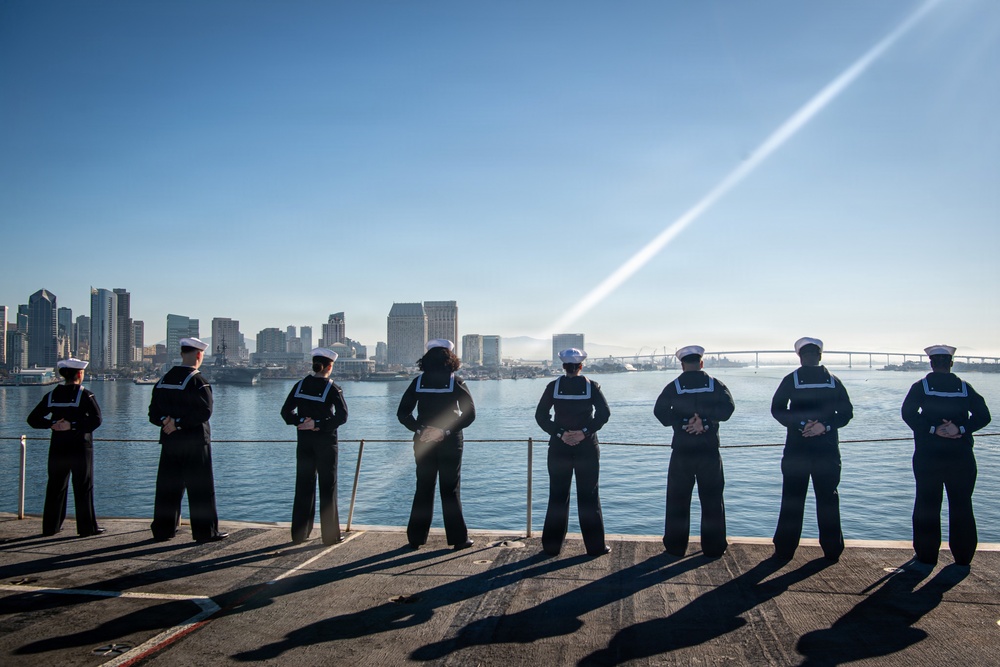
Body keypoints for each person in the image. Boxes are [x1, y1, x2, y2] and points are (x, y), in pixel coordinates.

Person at [902, 345, 991, 566]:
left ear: (931, 363)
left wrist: (933, 429)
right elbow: (984, 415)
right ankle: (963, 557)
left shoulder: (920, 387)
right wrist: (960, 430)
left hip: (928, 456)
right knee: (961, 504)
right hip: (960, 456)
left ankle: (926, 555)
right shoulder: (964, 387)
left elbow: (908, 414)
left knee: (927, 503)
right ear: (951, 363)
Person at [770, 337, 853, 561]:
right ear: (820, 356)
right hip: (827, 451)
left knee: (792, 499)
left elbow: (777, 409)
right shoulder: (834, 381)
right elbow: (846, 413)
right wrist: (824, 426)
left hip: (797, 450)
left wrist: (800, 424)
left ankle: (784, 550)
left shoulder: (790, 380)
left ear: (800, 357)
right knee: (828, 499)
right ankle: (832, 550)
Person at [654, 345, 736, 557]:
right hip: (709, 449)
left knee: (678, 499)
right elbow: (728, 409)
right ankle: (714, 546)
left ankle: (675, 546)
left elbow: (660, 412)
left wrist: (683, 423)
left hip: (682, 450)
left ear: (682, 365)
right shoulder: (715, 384)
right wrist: (705, 422)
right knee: (712, 498)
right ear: (701, 363)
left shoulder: (674, 386)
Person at [396, 339, 476, 550]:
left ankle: (416, 538)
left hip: (423, 441)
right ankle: (459, 539)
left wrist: (421, 430)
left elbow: (403, 413)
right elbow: (470, 414)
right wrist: (445, 431)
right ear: (451, 359)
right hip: (450, 442)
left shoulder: (418, 382)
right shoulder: (456, 382)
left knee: (423, 487)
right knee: (450, 490)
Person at [147, 337, 227, 542]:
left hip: (170, 442)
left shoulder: (163, 380)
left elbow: (152, 413)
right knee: (201, 489)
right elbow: (205, 412)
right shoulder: (199, 381)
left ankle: (163, 530)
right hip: (195, 443)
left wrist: (167, 422)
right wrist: (180, 423)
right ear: (199, 355)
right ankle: (205, 532)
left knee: (167, 488)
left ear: (182, 353)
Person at [535, 348, 612, 557]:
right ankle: (595, 547)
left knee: (558, 496)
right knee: (589, 496)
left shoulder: (553, 387)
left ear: (563, 366)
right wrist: (584, 432)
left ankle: (552, 547)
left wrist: (560, 433)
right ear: (581, 366)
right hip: (587, 447)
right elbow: (604, 414)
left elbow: (541, 416)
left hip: (559, 448)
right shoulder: (592, 387)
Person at [26, 358, 104, 537]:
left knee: (55, 486)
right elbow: (96, 419)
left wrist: (52, 423)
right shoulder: (85, 395)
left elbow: (32, 419)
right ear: (79, 373)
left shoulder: (52, 395)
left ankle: (51, 527)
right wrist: (74, 425)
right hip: (80, 447)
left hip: (58, 446)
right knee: (83, 486)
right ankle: (87, 528)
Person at [280, 348, 348, 545]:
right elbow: (342, 417)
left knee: (303, 486)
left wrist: (301, 420)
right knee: (328, 487)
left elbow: (285, 412)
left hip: (304, 442)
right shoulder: (332, 388)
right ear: (329, 366)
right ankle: (330, 535)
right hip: (326, 443)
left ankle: (299, 534)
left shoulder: (300, 385)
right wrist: (318, 424)